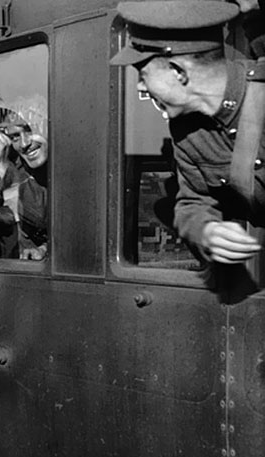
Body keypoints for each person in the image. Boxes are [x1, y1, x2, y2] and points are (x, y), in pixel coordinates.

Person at [110, 1, 265, 265]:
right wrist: (207, 231)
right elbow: (192, 201)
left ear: (178, 72)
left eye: (143, 75)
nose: (141, 87)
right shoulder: (187, 130)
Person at [0, 119, 49, 260]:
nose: (24, 143)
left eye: (30, 130)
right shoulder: (18, 168)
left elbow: (42, 216)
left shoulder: (73, 164)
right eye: (15, 136)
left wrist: (3, 167)